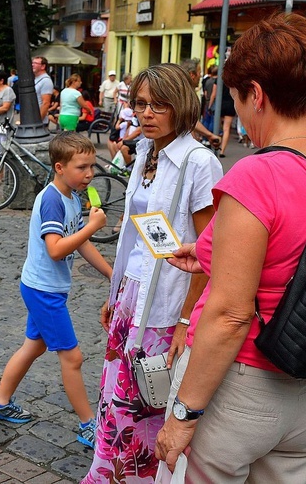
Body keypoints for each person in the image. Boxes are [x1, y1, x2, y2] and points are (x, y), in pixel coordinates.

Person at [155, 13, 306, 483]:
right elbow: (304, 256)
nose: (239, 112)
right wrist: (207, 252)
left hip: (239, 388)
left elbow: (230, 314)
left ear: (256, 94)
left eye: (237, 99)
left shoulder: (256, 175)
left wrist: (183, 414)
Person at [82, 63, 222, 483]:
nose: (145, 114)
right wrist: (115, 292)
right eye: (140, 104)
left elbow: (208, 250)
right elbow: (132, 235)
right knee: (115, 398)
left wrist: (185, 321)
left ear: (179, 106)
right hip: (132, 295)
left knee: (146, 401)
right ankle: (107, 474)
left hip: (166, 304)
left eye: (157, 105)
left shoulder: (199, 162)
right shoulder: (146, 152)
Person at [0, 132, 113, 449]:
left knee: (34, 346)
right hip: (44, 291)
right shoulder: (52, 199)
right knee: (73, 357)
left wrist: (112, 273)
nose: (89, 174)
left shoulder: (71, 196)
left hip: (45, 287)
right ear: (59, 167)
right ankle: (87, 425)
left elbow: (78, 241)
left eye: (92, 166)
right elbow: (56, 249)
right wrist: (93, 227)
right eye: (82, 167)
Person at [32, 56, 54, 124]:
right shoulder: (36, 79)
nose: (32, 65)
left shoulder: (46, 81)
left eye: (35, 63)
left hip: (39, 123)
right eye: (32, 63)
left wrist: (38, 121)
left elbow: (46, 103)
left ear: (43, 66)